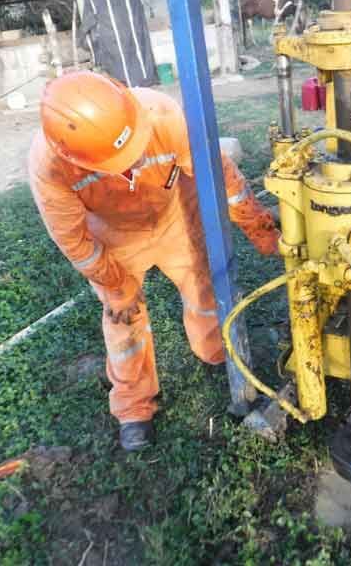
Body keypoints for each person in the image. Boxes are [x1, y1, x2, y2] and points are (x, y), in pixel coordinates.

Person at [28, 72, 279, 451]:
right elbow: (75, 243)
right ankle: (133, 406)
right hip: (114, 236)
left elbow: (220, 177)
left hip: (175, 212)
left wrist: (260, 229)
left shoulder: (161, 115)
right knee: (123, 318)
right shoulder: (50, 167)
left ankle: (215, 352)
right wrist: (115, 284)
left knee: (202, 288)